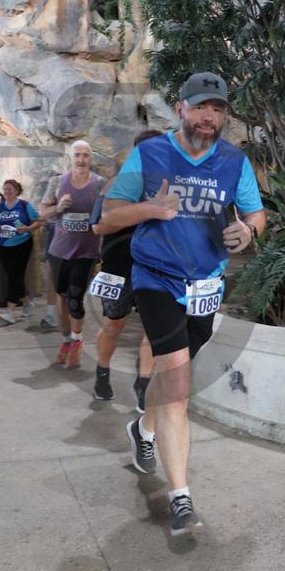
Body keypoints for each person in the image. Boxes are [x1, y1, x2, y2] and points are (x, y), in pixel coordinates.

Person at [103, 72, 266, 536]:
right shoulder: (150, 154)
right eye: (199, 107)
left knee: (171, 377)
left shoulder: (234, 162)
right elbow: (110, 213)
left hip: (206, 286)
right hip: (156, 280)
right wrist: (152, 210)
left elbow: (255, 213)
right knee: (177, 386)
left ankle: (143, 430)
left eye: (217, 108)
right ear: (180, 109)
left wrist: (249, 230)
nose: (208, 116)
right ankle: (180, 498)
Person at [93, 130, 162, 406]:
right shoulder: (114, 185)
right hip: (117, 266)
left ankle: (143, 383)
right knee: (113, 324)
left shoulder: (169, 186)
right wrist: (142, 211)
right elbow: (98, 226)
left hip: (155, 268)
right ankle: (102, 372)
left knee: (154, 327)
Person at [40, 140, 103, 370]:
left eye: (85, 155)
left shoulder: (99, 184)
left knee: (75, 297)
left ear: (90, 158)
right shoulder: (57, 182)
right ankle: (66, 340)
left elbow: (109, 213)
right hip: (59, 250)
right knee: (62, 297)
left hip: (86, 251)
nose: (81, 159)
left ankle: (77, 340)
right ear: (70, 158)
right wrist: (58, 208)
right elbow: (43, 213)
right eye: (77, 155)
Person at [0, 180, 40, 324]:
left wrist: (28, 228)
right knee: (13, 276)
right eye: (5, 189)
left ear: (17, 191)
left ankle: (10, 312)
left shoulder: (25, 205)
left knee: (14, 276)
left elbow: (38, 222)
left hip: (22, 244)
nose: (7, 192)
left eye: (10, 189)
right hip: (3, 245)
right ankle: (27, 303)